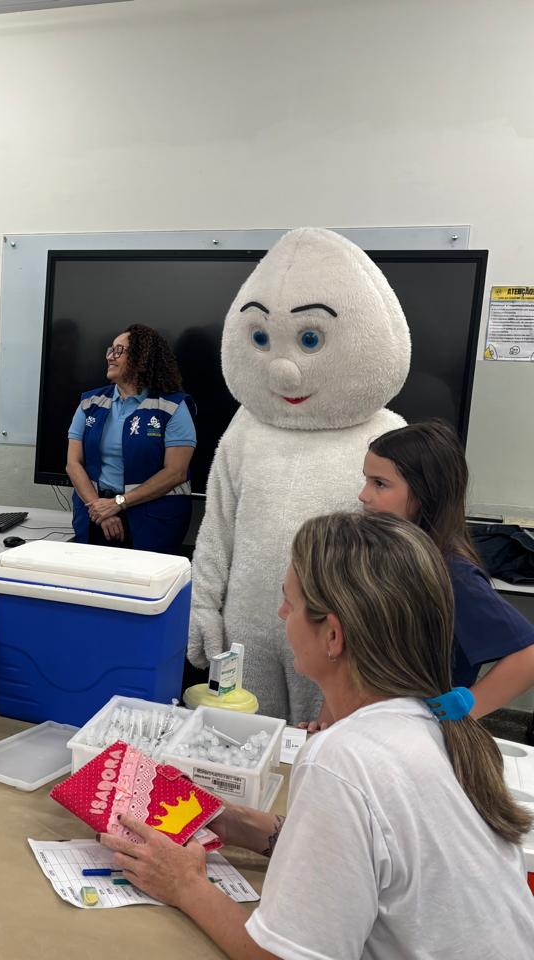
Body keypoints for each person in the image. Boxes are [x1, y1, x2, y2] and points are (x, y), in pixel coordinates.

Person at [100, 511, 534, 959]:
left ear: (333, 635)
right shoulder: (434, 727)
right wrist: (231, 821)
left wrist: (185, 884)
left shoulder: (344, 759)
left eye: (289, 602)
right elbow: (377, 852)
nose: (281, 614)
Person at [348, 420, 534, 719]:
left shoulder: (453, 574)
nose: (363, 495)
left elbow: (528, 656)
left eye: (379, 484)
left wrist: (464, 709)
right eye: (366, 480)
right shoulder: (387, 558)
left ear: (425, 495)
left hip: (414, 731)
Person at [65, 323, 195, 553]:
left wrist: (118, 503)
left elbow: (176, 472)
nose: (110, 357)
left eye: (119, 351)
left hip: (153, 522)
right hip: (97, 515)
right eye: (110, 350)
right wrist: (101, 510)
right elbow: (73, 464)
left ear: (141, 358)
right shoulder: (90, 403)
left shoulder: (172, 407)